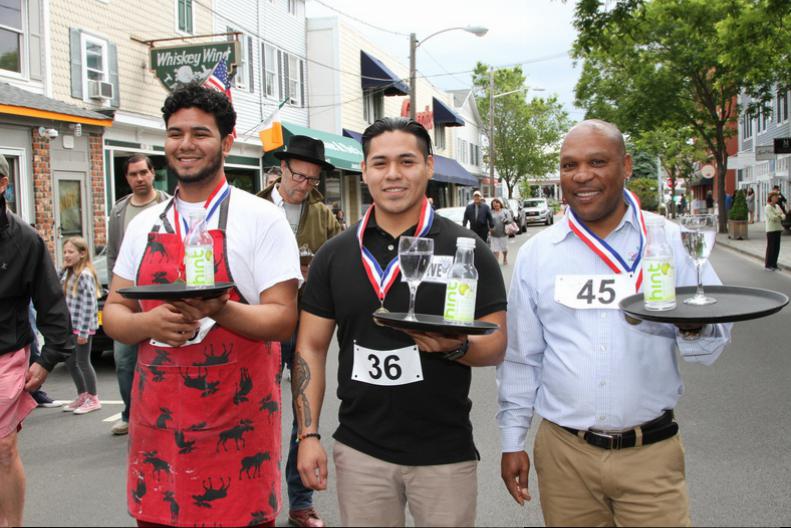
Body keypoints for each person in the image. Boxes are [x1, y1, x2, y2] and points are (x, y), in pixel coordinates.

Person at [498, 120, 732, 527]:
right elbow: (522, 357)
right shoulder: (538, 255)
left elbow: (714, 341)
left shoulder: (671, 241)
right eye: (569, 165)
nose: (582, 175)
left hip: (650, 456)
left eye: (597, 162)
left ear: (625, 167)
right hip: (564, 456)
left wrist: (690, 326)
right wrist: (511, 441)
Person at [103, 83, 301, 527]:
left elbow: (283, 318)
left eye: (200, 133)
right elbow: (114, 312)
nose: (185, 144)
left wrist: (220, 309)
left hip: (239, 423)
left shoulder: (262, 219)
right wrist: (148, 323)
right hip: (158, 425)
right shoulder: (143, 226)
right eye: (175, 133)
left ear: (227, 142)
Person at [293, 117, 507, 527]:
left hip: (445, 453)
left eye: (406, 162)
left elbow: (497, 343)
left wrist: (456, 347)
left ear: (429, 165)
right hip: (360, 453)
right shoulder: (335, 255)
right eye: (380, 163)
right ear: (364, 170)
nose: (392, 174)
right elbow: (311, 348)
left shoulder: (468, 249)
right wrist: (308, 436)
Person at [257, 135, 342, 528]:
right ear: (281, 169)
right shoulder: (253, 208)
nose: (302, 185)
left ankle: (300, 502)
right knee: (257, 411)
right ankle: (256, 500)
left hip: (306, 322)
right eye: (297, 175)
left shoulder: (323, 217)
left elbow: (335, 270)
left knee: (303, 416)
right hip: (261, 322)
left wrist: (313, 278)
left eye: (311, 179)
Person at [0, 153, 74, 527]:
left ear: (1, 185)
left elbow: (51, 303)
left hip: (7, 355)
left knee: (3, 447)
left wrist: (47, 360)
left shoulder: (26, 241)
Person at [106, 154, 169, 435]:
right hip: (130, 299)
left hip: (162, 297)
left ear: (153, 173)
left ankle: (162, 412)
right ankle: (131, 412)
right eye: (133, 174)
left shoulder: (168, 204)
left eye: (144, 172)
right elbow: (113, 254)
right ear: (127, 178)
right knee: (124, 359)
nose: (139, 178)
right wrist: (115, 293)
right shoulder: (119, 212)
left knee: (165, 360)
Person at [59, 236, 102, 415]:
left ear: (82, 253)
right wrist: (63, 269)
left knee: (83, 361)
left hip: (81, 326)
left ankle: (93, 397)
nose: (66, 255)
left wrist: (84, 331)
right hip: (70, 325)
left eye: (71, 252)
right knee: (70, 361)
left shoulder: (85, 275)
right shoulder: (69, 273)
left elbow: (89, 304)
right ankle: (82, 394)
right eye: (65, 252)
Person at [764, 191, 784, 271]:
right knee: (771, 248)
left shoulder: (777, 206)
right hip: (771, 230)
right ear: (771, 198)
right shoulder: (768, 207)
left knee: (777, 247)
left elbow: (783, 215)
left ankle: (774, 264)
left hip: (778, 229)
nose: (776, 198)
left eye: (777, 197)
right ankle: (768, 265)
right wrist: (779, 216)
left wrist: (779, 216)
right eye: (775, 197)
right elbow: (772, 218)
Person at [489, 197, 511, 265]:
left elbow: (510, 220)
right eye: (494, 205)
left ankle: (505, 258)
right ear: (492, 205)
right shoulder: (491, 212)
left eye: (497, 204)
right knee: (495, 249)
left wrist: (506, 221)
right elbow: (488, 221)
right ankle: (496, 262)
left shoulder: (505, 211)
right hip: (494, 234)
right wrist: (489, 229)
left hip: (503, 233)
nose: (496, 205)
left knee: (504, 248)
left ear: (500, 204)